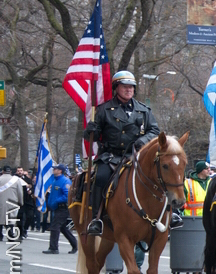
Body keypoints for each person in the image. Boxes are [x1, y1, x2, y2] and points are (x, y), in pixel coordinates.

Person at [84, 70, 162, 236]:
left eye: (131, 87)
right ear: (116, 88)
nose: (129, 90)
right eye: (125, 86)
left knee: (161, 174)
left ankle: (169, 213)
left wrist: (143, 141)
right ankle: (96, 219)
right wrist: (90, 130)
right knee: (100, 177)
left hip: (136, 156)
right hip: (111, 156)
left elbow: (154, 130)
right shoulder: (104, 110)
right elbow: (93, 137)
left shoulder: (144, 110)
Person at [43, 164, 78, 254]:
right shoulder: (55, 180)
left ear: (60, 171)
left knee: (55, 227)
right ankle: (75, 245)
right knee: (62, 228)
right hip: (56, 207)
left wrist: (56, 201)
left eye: (56, 169)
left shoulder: (65, 181)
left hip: (62, 207)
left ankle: (53, 248)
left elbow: (67, 195)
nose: (54, 170)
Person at [0, 165, 25, 241]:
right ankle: (10, 235)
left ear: (3, 171)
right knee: (11, 219)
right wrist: (20, 202)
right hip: (12, 202)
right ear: (10, 171)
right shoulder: (16, 180)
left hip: (1, 202)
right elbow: (20, 193)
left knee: (0, 219)